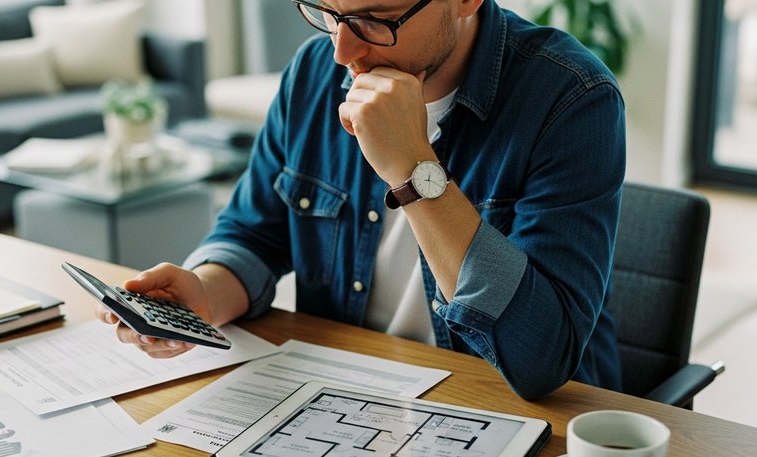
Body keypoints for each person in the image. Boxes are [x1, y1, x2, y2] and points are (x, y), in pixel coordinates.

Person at [97, 0, 626, 400]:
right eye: (328, 11)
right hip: (347, 391)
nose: (342, 52)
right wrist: (204, 294)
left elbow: (540, 357)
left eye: (376, 18)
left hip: (509, 410)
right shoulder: (312, 72)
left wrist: (412, 168)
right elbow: (253, 233)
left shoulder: (573, 98)